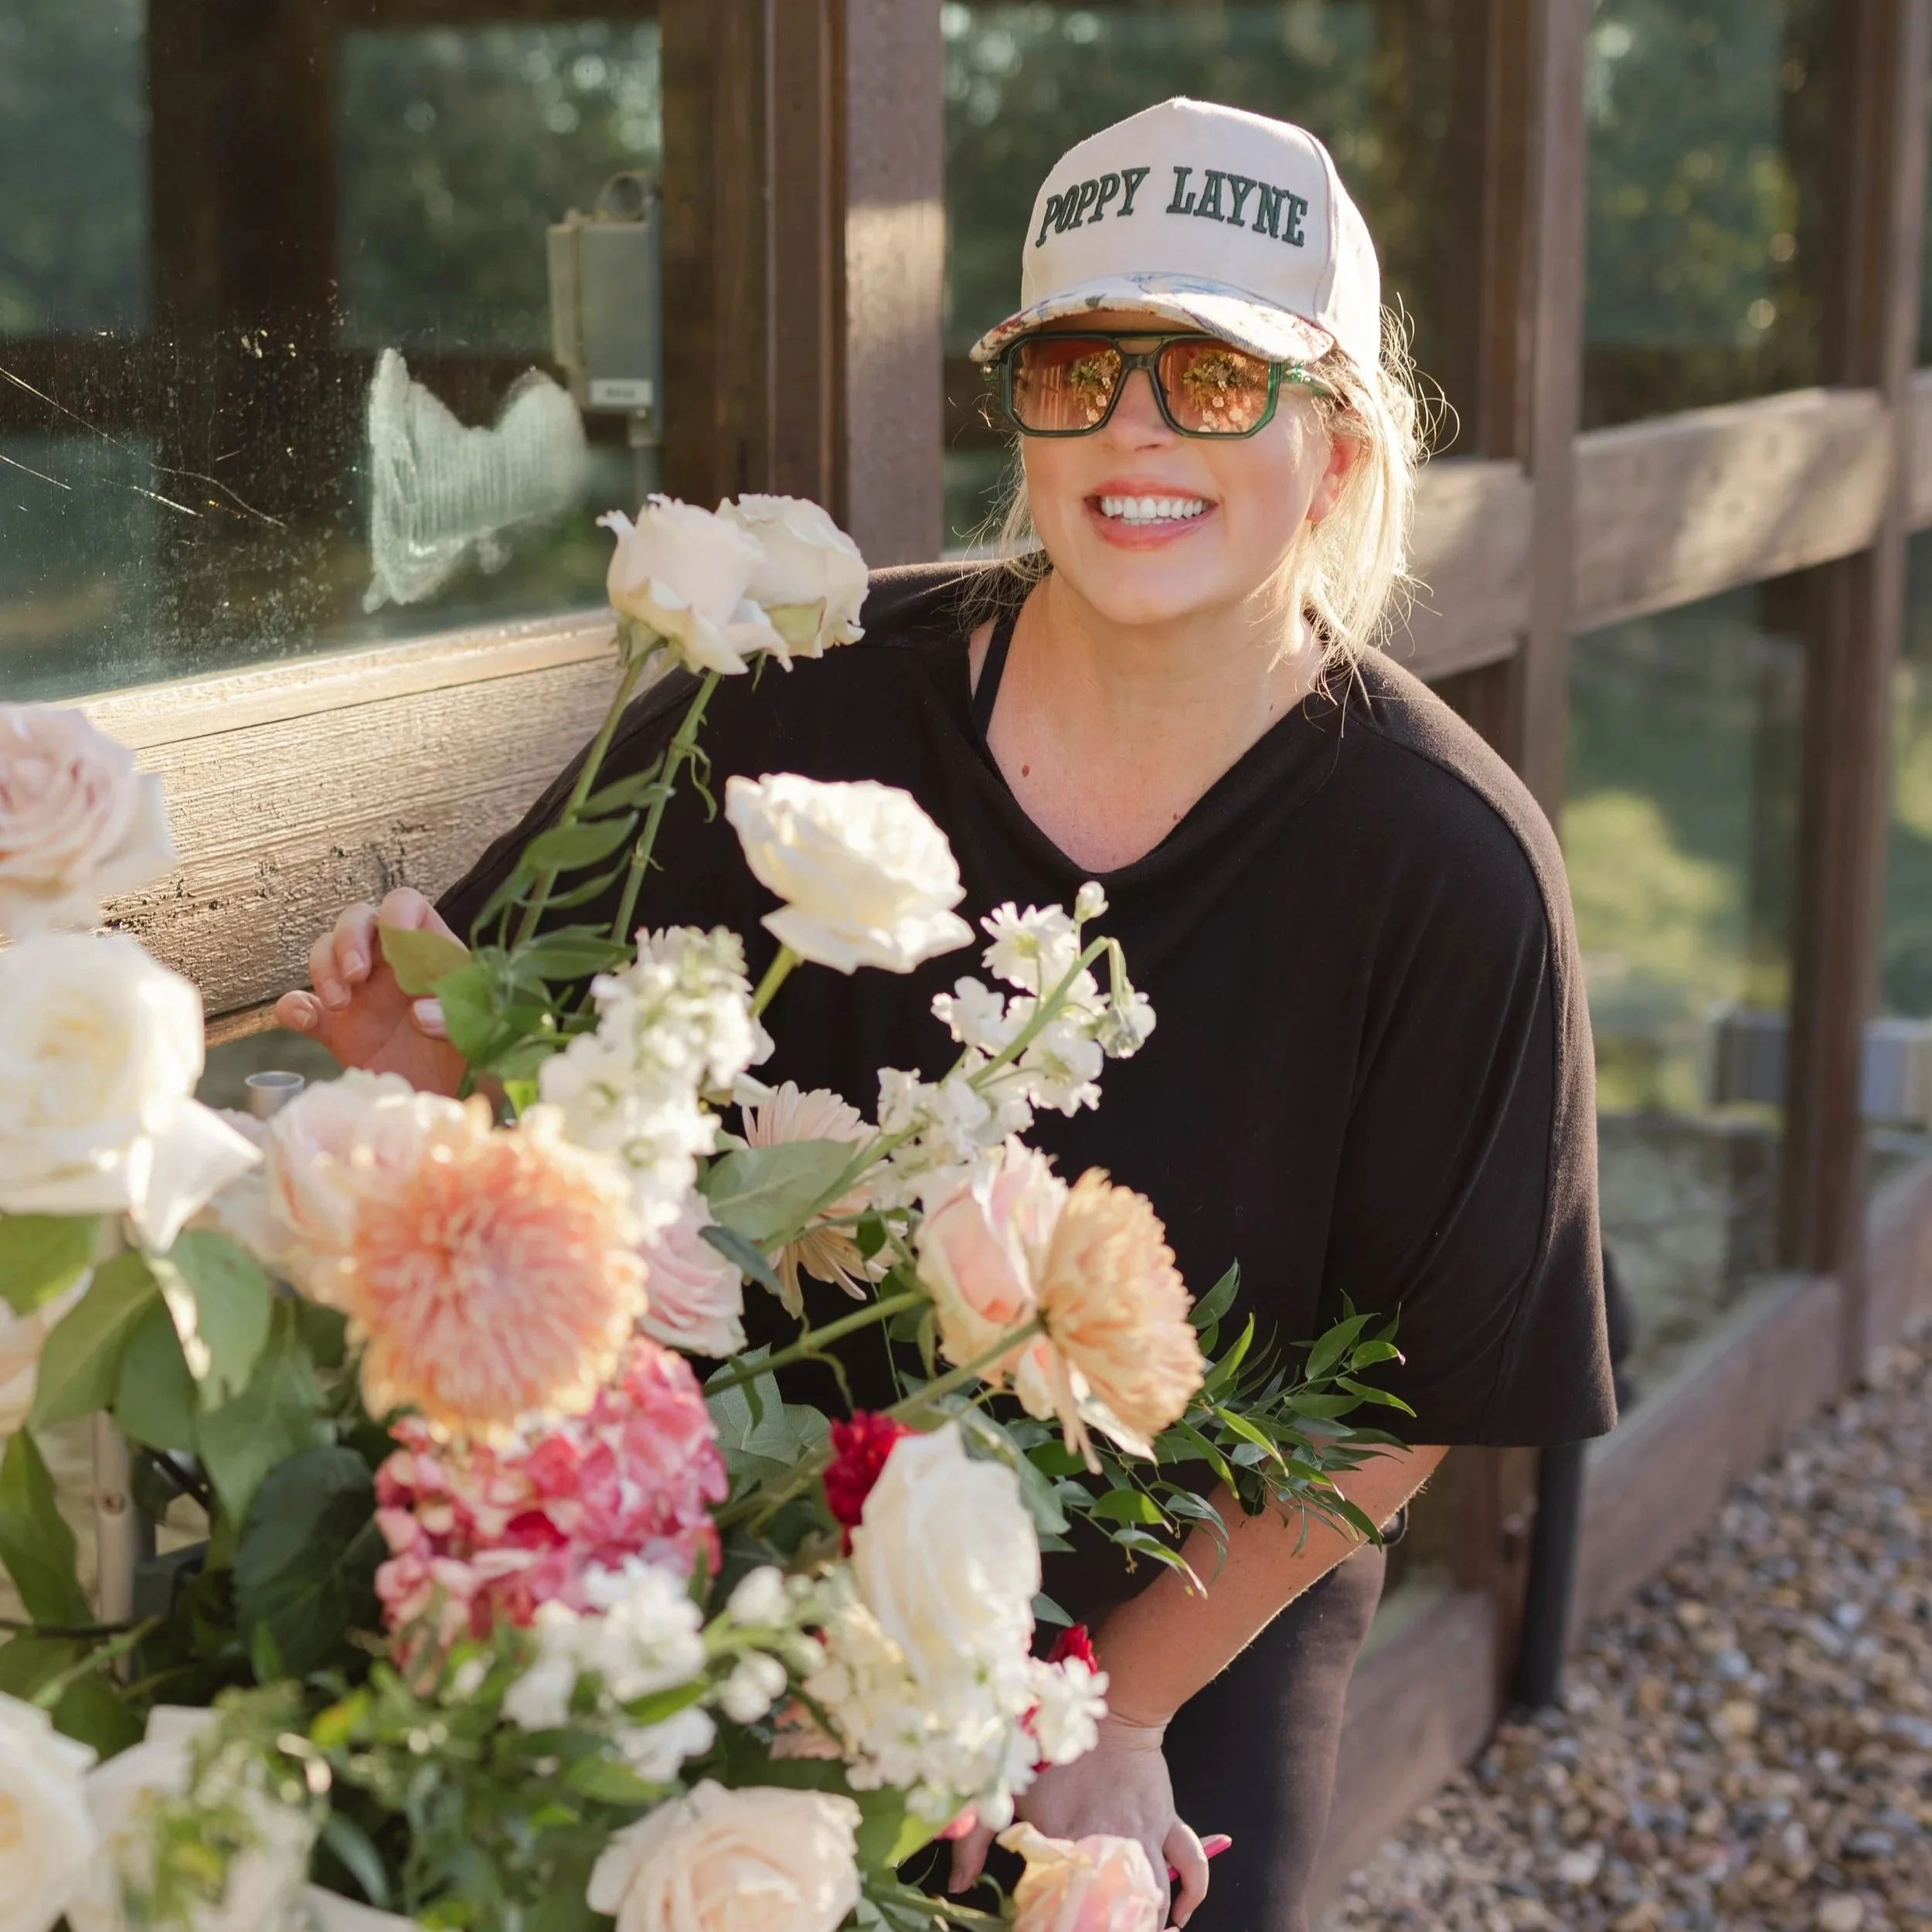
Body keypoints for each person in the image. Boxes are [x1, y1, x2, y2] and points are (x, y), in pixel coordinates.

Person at [277, 97, 1615, 1931]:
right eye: (1078, 366)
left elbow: (1424, 1382)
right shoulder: (791, 706)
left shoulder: (1445, 864)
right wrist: (429, 1065)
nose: (1135, 429)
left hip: (1172, 1607)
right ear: (1019, 410)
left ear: (1334, 445)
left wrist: (1115, 1707)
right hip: (725, 1536)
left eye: (1213, 377)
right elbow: (530, 1043)